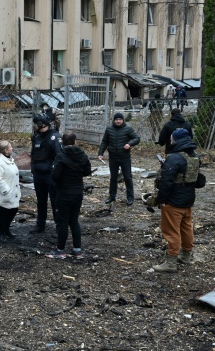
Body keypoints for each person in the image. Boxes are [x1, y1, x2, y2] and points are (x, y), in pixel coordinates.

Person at [153, 128, 201, 272]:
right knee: (186, 228)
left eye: (172, 138)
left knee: (171, 231)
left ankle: (171, 262)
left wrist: (161, 200)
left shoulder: (174, 158)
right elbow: (198, 179)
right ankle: (186, 256)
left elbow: (166, 181)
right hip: (188, 199)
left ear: (176, 140)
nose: (171, 140)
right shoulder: (194, 156)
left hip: (173, 201)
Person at [49, 131, 92, 259]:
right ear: (75, 141)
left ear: (63, 142)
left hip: (64, 193)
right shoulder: (82, 155)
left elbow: (55, 175)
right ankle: (77, 248)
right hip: (78, 192)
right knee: (74, 220)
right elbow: (87, 171)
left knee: (62, 221)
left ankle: (60, 249)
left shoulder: (61, 156)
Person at [29, 111, 62, 233]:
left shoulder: (55, 137)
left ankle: (59, 225)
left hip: (50, 175)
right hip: (38, 175)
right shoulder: (37, 137)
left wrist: (55, 173)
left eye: (35, 123)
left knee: (55, 201)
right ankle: (40, 224)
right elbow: (33, 154)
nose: (34, 126)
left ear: (41, 123)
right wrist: (33, 170)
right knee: (41, 201)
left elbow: (59, 157)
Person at [98, 112, 140, 205]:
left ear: (122, 120)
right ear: (114, 120)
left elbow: (137, 138)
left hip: (124, 157)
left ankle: (130, 197)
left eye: (120, 119)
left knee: (127, 177)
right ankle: (112, 196)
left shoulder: (128, 129)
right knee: (113, 178)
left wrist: (129, 144)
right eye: (116, 119)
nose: (118, 121)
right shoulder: (109, 129)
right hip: (113, 157)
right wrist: (100, 153)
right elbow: (104, 142)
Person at [0, 140, 21, 240]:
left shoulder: (10, 160)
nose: (12, 148)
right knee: (3, 214)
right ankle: (2, 233)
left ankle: (7, 230)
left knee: (13, 210)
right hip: (5, 194)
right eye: (10, 147)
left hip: (13, 192)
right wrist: (6, 191)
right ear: (6, 150)